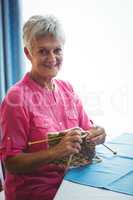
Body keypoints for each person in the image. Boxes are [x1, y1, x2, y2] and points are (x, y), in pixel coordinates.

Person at [0, 15, 106, 200]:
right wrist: (56, 152)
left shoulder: (67, 88)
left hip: (72, 181)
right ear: (28, 53)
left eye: (57, 50)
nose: (52, 58)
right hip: (36, 193)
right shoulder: (15, 98)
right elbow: (11, 162)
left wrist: (96, 135)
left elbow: (87, 129)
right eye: (43, 51)